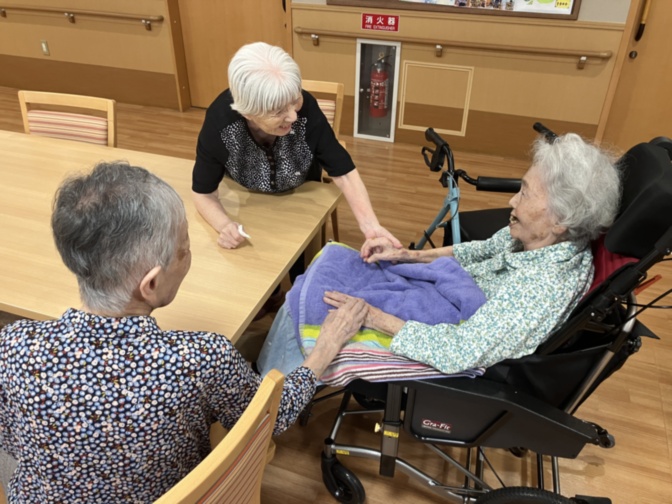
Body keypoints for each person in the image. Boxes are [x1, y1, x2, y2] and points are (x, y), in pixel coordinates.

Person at [0, 162, 367, 503]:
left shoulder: (12, 344)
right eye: (184, 250)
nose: (189, 256)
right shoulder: (201, 358)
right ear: (150, 284)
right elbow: (271, 416)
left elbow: (12, 442)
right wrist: (325, 346)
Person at [258, 133, 622, 377]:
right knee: (340, 264)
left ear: (561, 220)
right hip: (455, 294)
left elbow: (459, 350)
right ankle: (271, 381)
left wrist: (373, 316)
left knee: (319, 302)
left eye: (525, 194)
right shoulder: (542, 241)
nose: (512, 201)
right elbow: (482, 249)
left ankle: (271, 402)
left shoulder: (538, 291)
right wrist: (406, 256)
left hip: (453, 332)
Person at [191, 41, 401, 254]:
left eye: (295, 100)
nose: (293, 116)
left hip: (302, 195)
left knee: (301, 261)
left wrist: (371, 226)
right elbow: (203, 193)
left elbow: (344, 173)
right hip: (249, 203)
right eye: (278, 111)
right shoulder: (221, 123)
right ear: (247, 112)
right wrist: (224, 225)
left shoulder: (306, 108)